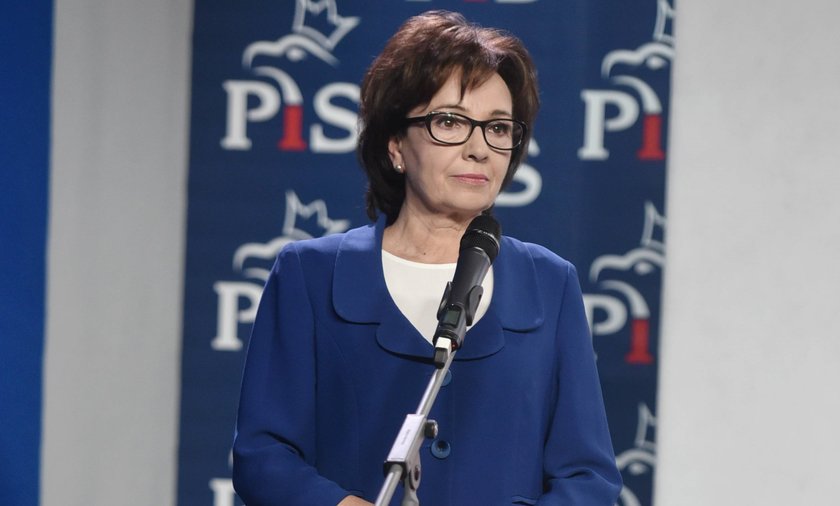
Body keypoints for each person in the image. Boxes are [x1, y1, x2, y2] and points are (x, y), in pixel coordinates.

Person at [232, 10, 622, 506]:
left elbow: (588, 477)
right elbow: (263, 456)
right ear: (396, 145)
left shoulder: (549, 284)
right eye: (450, 122)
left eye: (498, 128)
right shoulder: (310, 276)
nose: (479, 148)